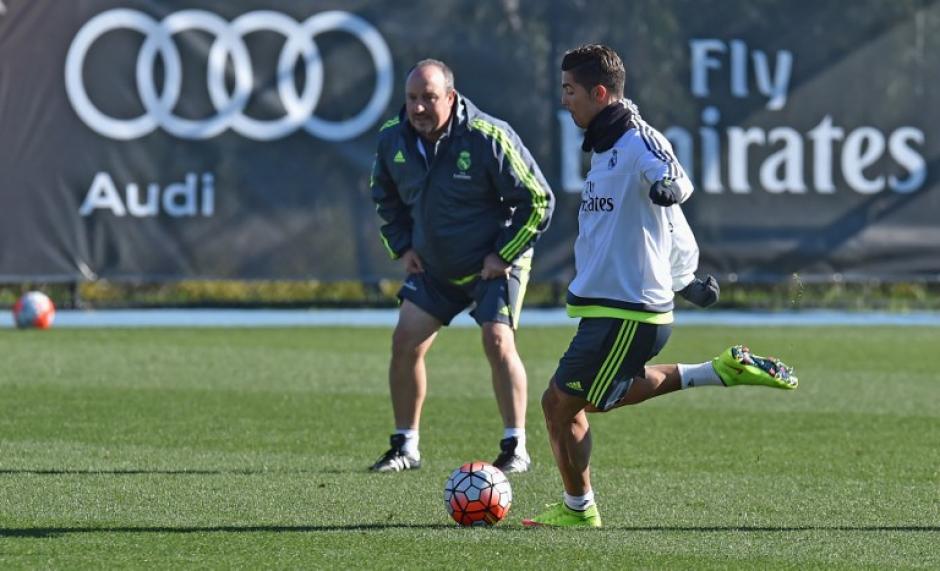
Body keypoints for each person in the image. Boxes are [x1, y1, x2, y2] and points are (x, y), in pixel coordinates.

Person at [522, 44, 797, 527]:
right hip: (611, 308)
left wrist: (670, 187)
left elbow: (673, 178)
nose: (563, 100)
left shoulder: (635, 137)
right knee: (586, 399)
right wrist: (684, 279)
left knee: (560, 403)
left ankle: (579, 510)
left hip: (629, 310)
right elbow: (652, 225)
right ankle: (720, 370)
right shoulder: (606, 145)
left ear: (599, 92)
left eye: (570, 91)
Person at [369, 59, 555, 474]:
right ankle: (405, 446)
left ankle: (515, 447)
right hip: (435, 267)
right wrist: (402, 248)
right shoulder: (391, 140)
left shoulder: (487, 136)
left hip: (494, 265)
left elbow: (539, 200)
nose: (418, 108)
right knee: (405, 342)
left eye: (429, 98)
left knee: (496, 340)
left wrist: (503, 254)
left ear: (450, 98)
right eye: (412, 98)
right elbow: (385, 197)